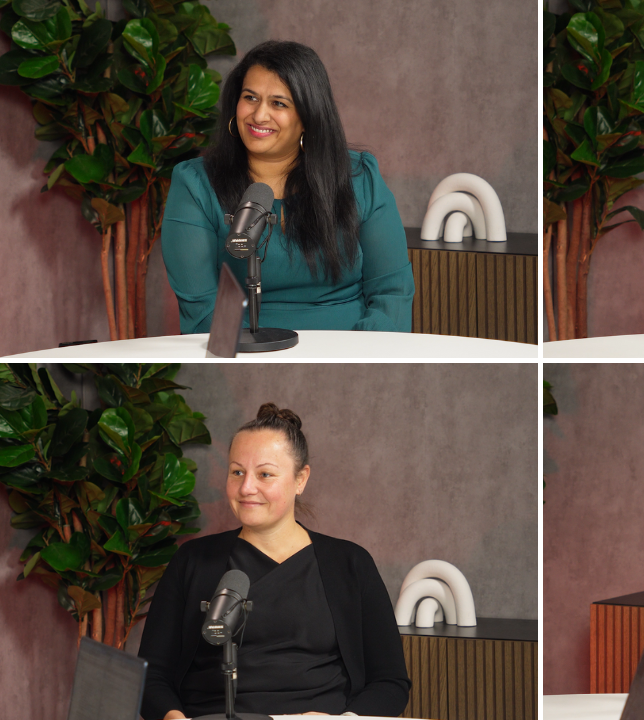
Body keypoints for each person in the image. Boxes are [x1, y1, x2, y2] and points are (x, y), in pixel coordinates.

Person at [138, 403, 410, 719]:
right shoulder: (192, 561)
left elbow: (390, 683)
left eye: (265, 474)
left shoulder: (350, 564)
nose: (246, 488)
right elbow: (151, 675)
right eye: (237, 472)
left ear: (300, 479)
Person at [162, 41, 415, 334]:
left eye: (278, 103)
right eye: (250, 97)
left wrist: (360, 354)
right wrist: (259, 352)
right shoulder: (195, 184)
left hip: (351, 350)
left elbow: (392, 292)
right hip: (244, 352)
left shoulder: (359, 177)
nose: (259, 115)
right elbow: (203, 310)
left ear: (308, 116)